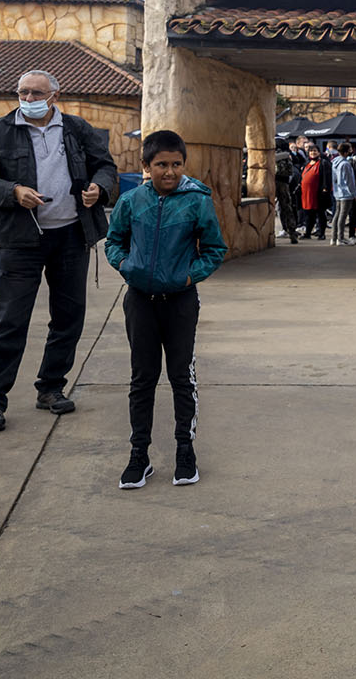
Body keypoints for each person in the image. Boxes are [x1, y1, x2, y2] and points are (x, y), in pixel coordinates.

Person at [0, 69, 118, 432]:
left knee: (67, 319)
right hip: (22, 240)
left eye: (37, 93)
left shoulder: (77, 129)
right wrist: (13, 191)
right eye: (23, 92)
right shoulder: (0, 131)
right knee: (9, 322)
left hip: (70, 237)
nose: (29, 99)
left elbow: (106, 167)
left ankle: (51, 387)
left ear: (54, 96)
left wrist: (99, 187)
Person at [105, 130, 226, 489]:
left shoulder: (197, 200)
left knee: (180, 377)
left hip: (180, 303)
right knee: (142, 379)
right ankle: (138, 455)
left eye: (176, 164)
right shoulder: (131, 201)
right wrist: (126, 266)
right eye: (161, 165)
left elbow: (215, 249)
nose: (169, 172)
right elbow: (114, 241)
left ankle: (185, 451)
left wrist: (190, 277)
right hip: (140, 301)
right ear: (146, 166)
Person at [330, 141, 356, 245]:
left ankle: (334, 238)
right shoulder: (345, 164)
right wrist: (355, 194)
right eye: (350, 150)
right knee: (342, 216)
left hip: (337, 192)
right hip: (346, 194)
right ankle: (340, 238)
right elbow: (349, 181)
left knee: (337, 215)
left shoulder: (334, 162)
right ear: (346, 152)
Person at [298, 144, 328, 239]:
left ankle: (322, 233)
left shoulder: (323, 163)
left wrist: (325, 189)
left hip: (318, 194)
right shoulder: (306, 163)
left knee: (320, 214)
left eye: (315, 151)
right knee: (308, 215)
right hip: (306, 194)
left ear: (319, 152)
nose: (313, 152)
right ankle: (308, 233)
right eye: (311, 151)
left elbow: (326, 178)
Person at [273, 138, 299, 244]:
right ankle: (292, 233)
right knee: (287, 208)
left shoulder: (273, 154)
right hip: (284, 183)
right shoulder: (287, 155)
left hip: (274, 181)